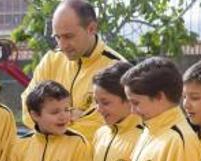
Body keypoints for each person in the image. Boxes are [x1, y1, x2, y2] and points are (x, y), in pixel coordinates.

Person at [20, 1, 124, 146]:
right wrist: (75, 116)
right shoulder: (51, 60)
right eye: (57, 37)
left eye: (68, 36)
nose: (62, 45)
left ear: (91, 28)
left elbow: (98, 127)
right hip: (49, 160)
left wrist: (49, 119)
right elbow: (28, 108)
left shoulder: (116, 68)